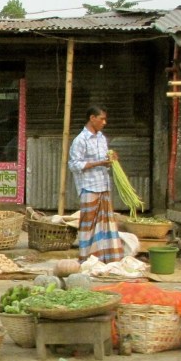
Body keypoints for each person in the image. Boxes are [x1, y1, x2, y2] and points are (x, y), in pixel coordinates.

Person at [68, 105, 124, 263]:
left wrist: (110, 160)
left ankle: (106, 257)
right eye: (101, 119)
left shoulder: (101, 138)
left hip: (104, 185)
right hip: (89, 187)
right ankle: (86, 258)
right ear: (92, 118)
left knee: (105, 223)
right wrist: (98, 162)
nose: (104, 122)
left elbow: (104, 161)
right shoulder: (80, 140)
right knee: (89, 223)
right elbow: (74, 165)